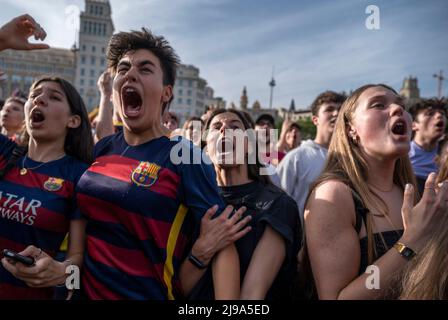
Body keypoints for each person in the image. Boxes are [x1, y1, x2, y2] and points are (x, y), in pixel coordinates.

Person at [75, 28, 251, 300]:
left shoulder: (185, 157)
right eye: (123, 68)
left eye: (145, 69)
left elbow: (222, 243)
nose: (130, 74)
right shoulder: (102, 148)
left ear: (166, 93)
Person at [302, 84, 448, 299]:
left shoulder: (420, 190)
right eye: (378, 104)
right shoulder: (334, 196)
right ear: (351, 128)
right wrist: (411, 242)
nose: (398, 110)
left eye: (401, 105)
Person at [189, 109, 301, 300]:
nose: (225, 129)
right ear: (206, 148)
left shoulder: (278, 205)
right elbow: (176, 287)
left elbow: (252, 296)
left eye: (235, 127)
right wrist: (202, 250)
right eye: (217, 127)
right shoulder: (192, 202)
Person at [0, 76, 94, 299]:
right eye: (34, 95)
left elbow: (77, 263)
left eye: (53, 97)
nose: (39, 100)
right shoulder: (4, 152)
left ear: (73, 121)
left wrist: (63, 272)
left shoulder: (79, 175)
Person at [277, 91, 345, 222]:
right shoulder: (296, 157)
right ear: (315, 119)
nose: (336, 113)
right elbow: (278, 204)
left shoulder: (353, 159)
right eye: (329, 109)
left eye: (340, 110)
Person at [408, 98, 447, 194]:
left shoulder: (445, 155)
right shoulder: (401, 154)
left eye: (442, 114)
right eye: (430, 114)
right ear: (414, 125)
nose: (439, 116)